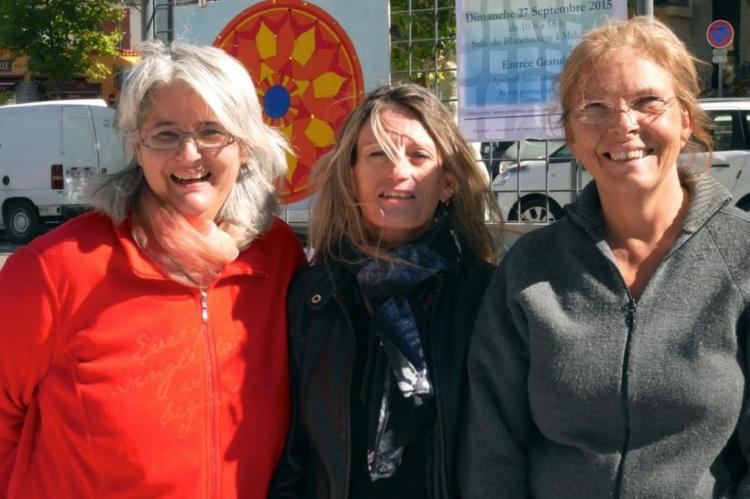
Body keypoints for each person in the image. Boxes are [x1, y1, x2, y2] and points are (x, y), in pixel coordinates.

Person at [458, 16, 750, 498]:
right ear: (571, 138)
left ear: (687, 120)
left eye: (647, 102)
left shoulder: (741, 260)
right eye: (594, 107)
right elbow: (491, 451)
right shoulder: (530, 272)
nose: (623, 125)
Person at [0, 42, 305, 498]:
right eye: (165, 133)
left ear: (244, 146)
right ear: (137, 147)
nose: (188, 154)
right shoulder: (55, 270)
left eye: (211, 131)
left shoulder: (278, 257)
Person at [269, 82, 502, 499]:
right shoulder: (313, 296)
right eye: (378, 154)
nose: (398, 171)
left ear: (447, 182)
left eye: (418, 156)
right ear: (351, 175)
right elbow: (292, 452)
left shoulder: (486, 297)